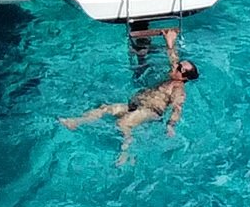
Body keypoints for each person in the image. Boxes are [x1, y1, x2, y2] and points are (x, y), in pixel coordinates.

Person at [64, 29, 199, 163]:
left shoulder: (178, 89)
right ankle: (76, 122)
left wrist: (170, 125)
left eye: (179, 68)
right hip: (139, 104)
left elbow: (177, 108)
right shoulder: (174, 75)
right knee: (105, 108)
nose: (175, 66)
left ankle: (128, 152)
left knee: (122, 123)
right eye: (179, 65)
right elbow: (173, 58)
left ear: (184, 77)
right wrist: (170, 41)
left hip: (151, 111)